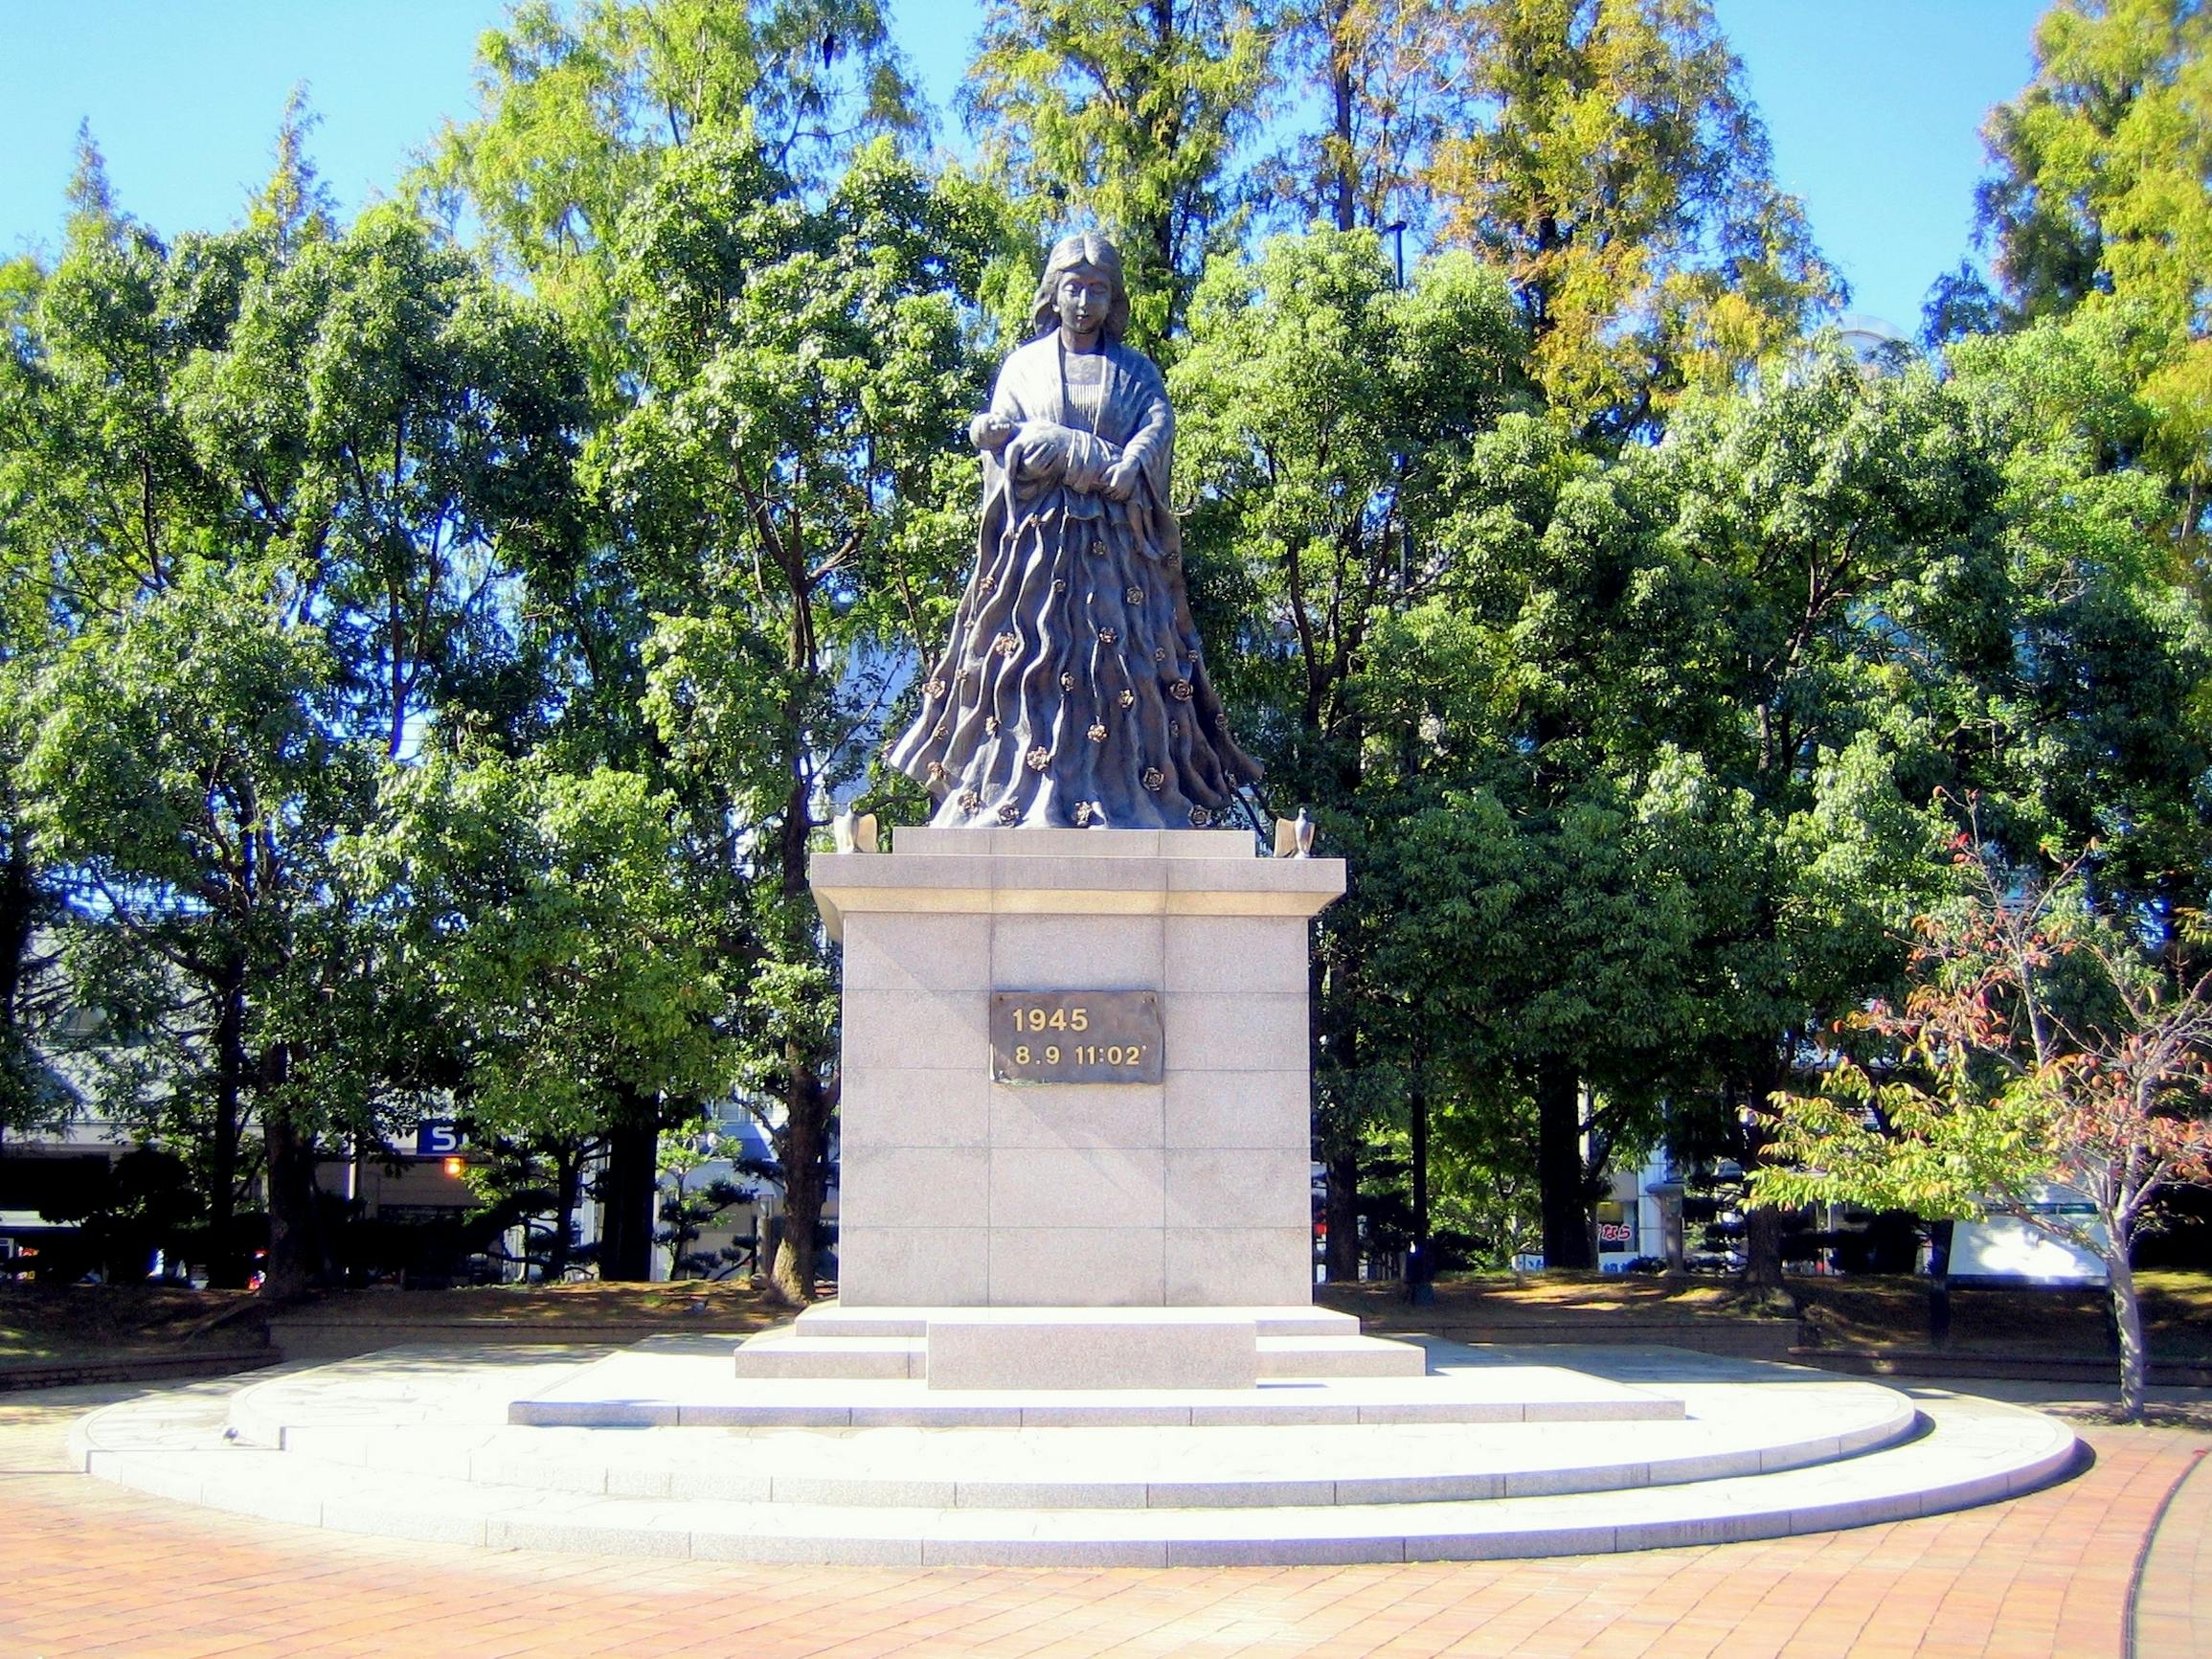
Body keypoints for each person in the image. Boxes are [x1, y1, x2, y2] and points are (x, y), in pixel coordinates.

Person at [887, 231, 1260, 829]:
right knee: (1026, 666)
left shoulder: (1136, 371)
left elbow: (1155, 430)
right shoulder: (1024, 365)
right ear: (1053, 293)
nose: (1084, 301)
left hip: (1116, 556)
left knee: (1123, 670)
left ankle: (1128, 796)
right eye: (1073, 287)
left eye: (1097, 289)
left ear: (1112, 299)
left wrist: (1122, 462)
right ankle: (1014, 794)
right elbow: (1005, 435)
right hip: (1035, 554)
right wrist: (993, 435)